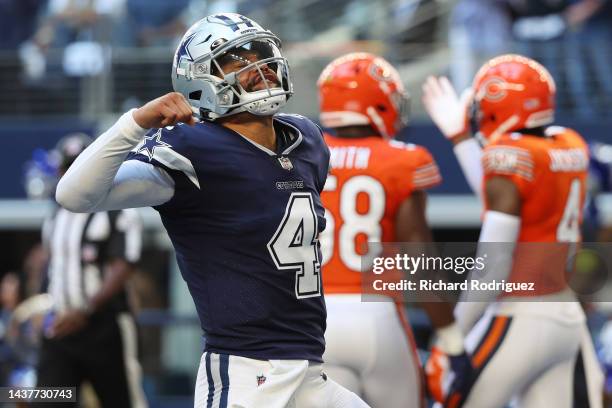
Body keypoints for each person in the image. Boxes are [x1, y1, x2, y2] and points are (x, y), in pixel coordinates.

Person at [56, 13, 369, 408]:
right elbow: (73, 195)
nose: (261, 69)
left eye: (263, 56)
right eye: (238, 61)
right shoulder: (191, 150)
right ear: (200, 81)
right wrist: (134, 123)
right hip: (245, 374)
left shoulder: (306, 140)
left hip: (310, 371)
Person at [422, 54, 604, 407]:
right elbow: (505, 200)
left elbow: (495, 260)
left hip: (521, 312)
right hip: (565, 314)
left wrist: (452, 332)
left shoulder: (510, 153)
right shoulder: (570, 143)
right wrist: (460, 138)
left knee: (452, 400)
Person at [317, 52, 471, 407]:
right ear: (377, 102)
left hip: (310, 318)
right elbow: (420, 262)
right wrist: (452, 341)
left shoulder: (300, 156)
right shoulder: (403, 159)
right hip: (376, 316)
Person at [34, 133, 147, 408]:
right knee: (48, 400)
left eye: (78, 167)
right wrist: (43, 307)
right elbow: (54, 268)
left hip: (104, 326)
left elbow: (124, 265)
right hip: (62, 326)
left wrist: (85, 310)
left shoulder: (118, 211)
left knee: (119, 400)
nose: (72, 174)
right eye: (67, 167)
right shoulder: (56, 217)